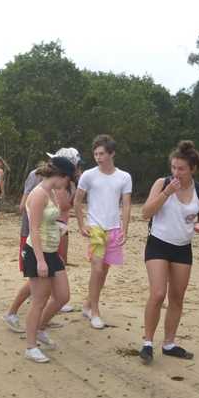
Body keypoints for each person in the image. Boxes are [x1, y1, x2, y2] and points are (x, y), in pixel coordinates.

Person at [138, 141, 199, 364]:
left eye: (181, 168)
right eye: (173, 167)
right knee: (158, 293)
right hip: (158, 244)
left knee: (177, 297)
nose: (176, 172)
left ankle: (169, 343)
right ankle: (147, 343)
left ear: (193, 169)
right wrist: (166, 193)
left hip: (182, 248)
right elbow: (145, 212)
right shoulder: (162, 183)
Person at [4, 148, 81, 332]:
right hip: (34, 233)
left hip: (52, 234)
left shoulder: (58, 186)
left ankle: (42, 320)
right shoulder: (37, 179)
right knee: (36, 280)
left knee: (45, 281)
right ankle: (14, 314)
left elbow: (62, 208)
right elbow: (25, 206)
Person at [21, 157, 76, 363]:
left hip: (51, 251)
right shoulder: (38, 195)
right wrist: (40, 261)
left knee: (62, 296)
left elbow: (51, 219)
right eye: (68, 180)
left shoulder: (52, 192)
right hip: (38, 252)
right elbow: (33, 229)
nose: (67, 184)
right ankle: (30, 345)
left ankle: (40, 328)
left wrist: (60, 229)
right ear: (61, 175)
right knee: (39, 300)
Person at [74, 135, 132, 330]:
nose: (98, 157)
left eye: (102, 154)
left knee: (104, 271)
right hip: (96, 228)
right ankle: (95, 312)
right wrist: (82, 224)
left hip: (114, 228)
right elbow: (77, 200)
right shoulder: (88, 175)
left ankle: (88, 304)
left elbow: (126, 204)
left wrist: (125, 229)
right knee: (97, 269)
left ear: (112, 153)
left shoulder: (124, 177)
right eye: (96, 154)